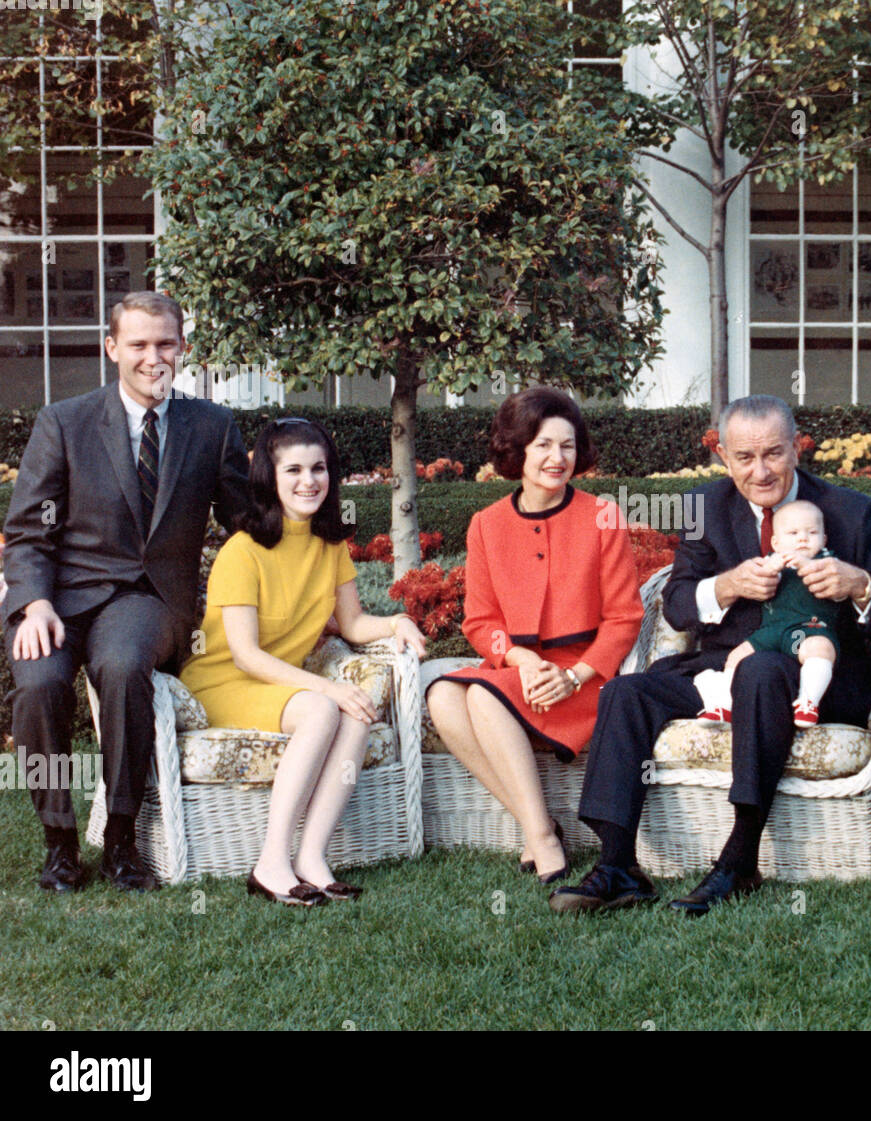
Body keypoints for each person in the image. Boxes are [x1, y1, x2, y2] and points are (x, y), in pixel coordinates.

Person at [551, 394, 871, 916]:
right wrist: (727, 585)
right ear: (722, 455)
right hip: (723, 665)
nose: (760, 471)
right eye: (744, 457)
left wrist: (858, 585)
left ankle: (739, 859)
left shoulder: (851, 512)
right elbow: (676, 605)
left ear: (796, 447)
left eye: (774, 454)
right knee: (627, 692)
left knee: (762, 672)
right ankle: (618, 865)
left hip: (817, 675)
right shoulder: (705, 507)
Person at [3, 292, 249, 894]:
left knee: (121, 665)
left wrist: (314, 530)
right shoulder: (64, 422)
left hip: (147, 598)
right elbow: (28, 530)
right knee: (38, 683)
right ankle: (59, 841)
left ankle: (120, 835)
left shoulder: (211, 427)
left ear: (182, 348)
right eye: (137, 344)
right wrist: (34, 602)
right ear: (112, 348)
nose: (152, 356)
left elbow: (250, 522)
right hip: (59, 597)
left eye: (165, 343)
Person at [180, 418, 427, 907]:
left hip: (278, 685)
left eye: (318, 468)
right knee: (326, 708)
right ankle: (271, 863)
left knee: (356, 713)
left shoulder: (329, 544)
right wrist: (329, 691)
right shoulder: (242, 551)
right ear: (268, 477)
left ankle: (312, 858)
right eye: (292, 469)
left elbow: (353, 624)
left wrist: (396, 622)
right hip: (222, 682)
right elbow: (246, 655)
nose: (308, 481)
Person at [424, 388, 643, 884]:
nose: (557, 458)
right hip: (520, 669)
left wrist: (573, 675)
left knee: (480, 699)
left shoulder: (602, 516)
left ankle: (541, 838)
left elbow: (625, 618)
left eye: (567, 446)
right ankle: (539, 824)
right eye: (543, 445)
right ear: (518, 449)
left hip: (586, 679)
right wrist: (520, 659)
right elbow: (480, 623)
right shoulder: (485, 525)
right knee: (440, 694)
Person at [694, 499, 843, 728]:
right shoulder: (774, 562)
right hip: (771, 633)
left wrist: (804, 563)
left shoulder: (826, 564)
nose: (802, 539)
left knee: (820, 649)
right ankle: (726, 704)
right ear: (776, 542)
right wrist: (773, 565)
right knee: (737, 656)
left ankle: (808, 701)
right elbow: (762, 578)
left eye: (812, 533)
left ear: (823, 540)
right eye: (793, 533)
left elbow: (834, 590)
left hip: (807, 630)